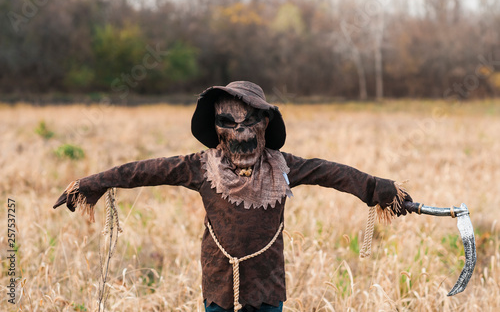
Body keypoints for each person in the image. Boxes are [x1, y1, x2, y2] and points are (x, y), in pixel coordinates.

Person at [54, 81, 413, 312]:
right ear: (215, 129)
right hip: (219, 287)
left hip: (268, 286)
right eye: (228, 122)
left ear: (267, 124)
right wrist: (89, 185)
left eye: (250, 122)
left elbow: (334, 173)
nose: (240, 134)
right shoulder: (199, 166)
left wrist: (384, 191)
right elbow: (142, 170)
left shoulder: (284, 166)